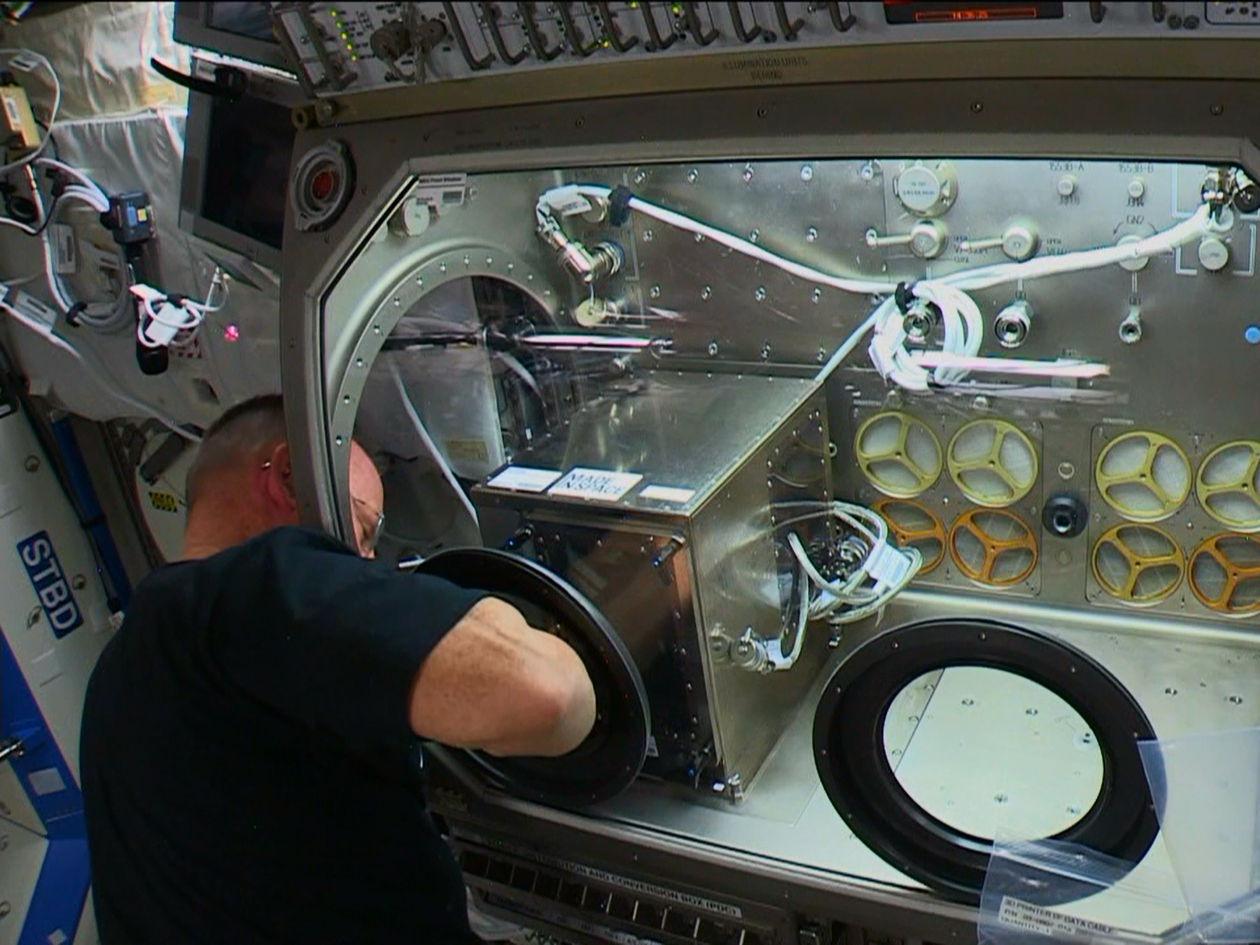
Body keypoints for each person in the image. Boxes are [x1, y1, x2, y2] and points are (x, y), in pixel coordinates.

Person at [80, 394, 597, 943]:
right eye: (363, 528)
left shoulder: (121, 670)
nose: (366, 565)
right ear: (284, 477)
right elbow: (548, 693)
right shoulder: (256, 586)